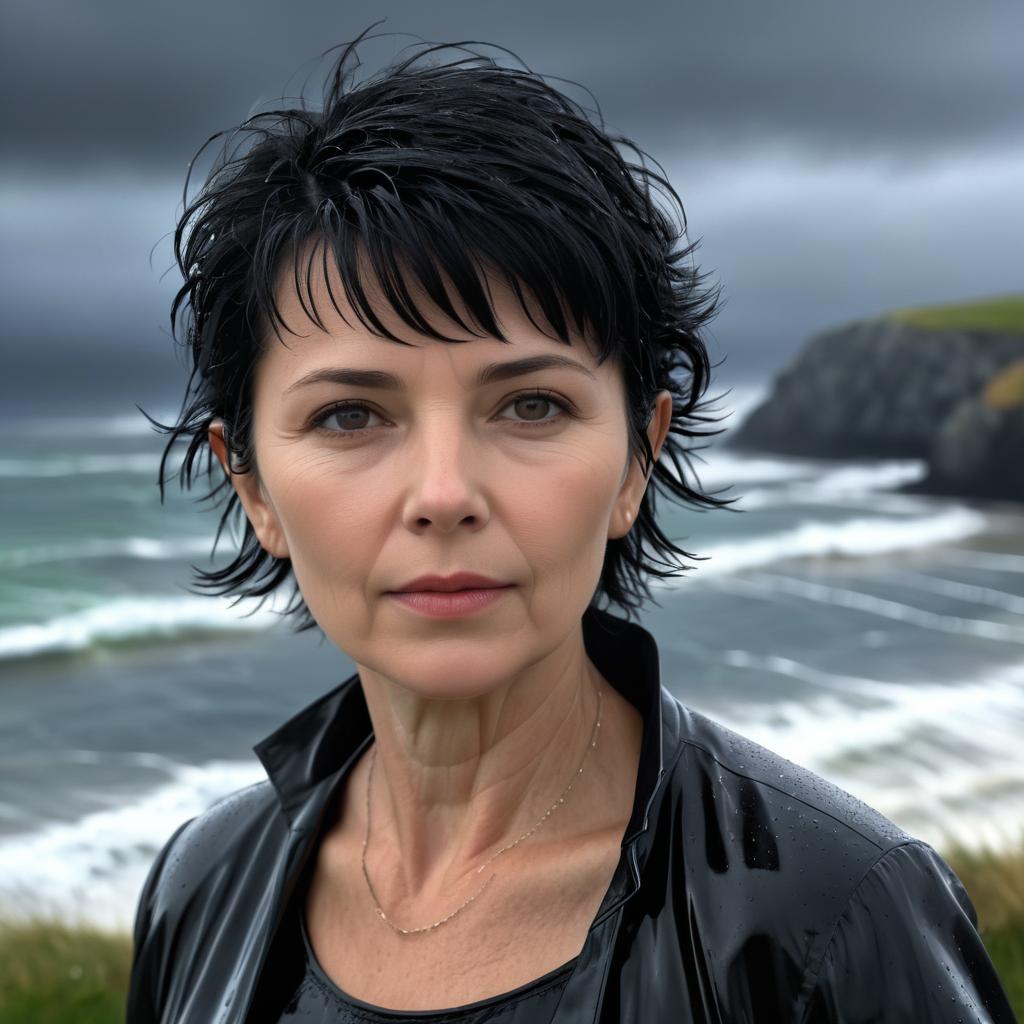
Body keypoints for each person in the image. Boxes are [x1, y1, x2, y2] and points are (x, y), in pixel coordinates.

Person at [127, 28, 1015, 1024]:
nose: (443, 492)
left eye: (529, 405)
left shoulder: (834, 913)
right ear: (249, 486)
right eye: (351, 415)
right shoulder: (201, 884)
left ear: (639, 455)